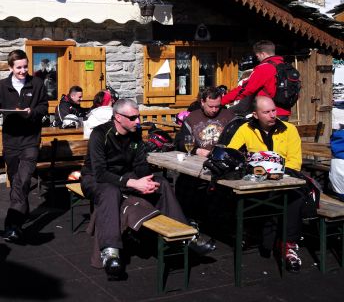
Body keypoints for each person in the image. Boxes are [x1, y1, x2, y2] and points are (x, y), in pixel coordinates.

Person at [80, 99, 205, 280]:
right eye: (133, 118)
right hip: (95, 179)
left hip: (124, 175)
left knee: (160, 182)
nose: (138, 121)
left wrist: (146, 181)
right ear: (118, 117)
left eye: (138, 117)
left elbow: (140, 164)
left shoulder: (135, 133)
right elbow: (100, 173)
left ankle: (184, 234)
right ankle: (110, 252)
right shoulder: (100, 134)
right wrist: (133, 184)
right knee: (110, 191)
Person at [227, 96, 304, 272]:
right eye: (266, 112)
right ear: (255, 114)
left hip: (286, 178)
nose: (272, 115)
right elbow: (232, 152)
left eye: (273, 110)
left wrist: (275, 172)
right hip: (257, 181)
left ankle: (288, 245)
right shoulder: (246, 129)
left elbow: (295, 162)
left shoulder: (289, 130)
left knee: (294, 197)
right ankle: (253, 234)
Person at [0, 50, 48, 243]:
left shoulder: (37, 84)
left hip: (30, 140)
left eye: (25, 66)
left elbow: (44, 107)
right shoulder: (2, 85)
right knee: (16, 182)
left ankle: (11, 226)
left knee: (22, 182)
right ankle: (22, 215)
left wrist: (32, 112)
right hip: (11, 141)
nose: (23, 70)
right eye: (19, 67)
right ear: (10, 68)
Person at [221, 40, 291, 119]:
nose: (257, 59)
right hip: (284, 113)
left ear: (262, 54)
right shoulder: (286, 67)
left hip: (267, 115)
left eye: (257, 56)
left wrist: (221, 101)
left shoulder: (264, 68)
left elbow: (244, 90)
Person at [175, 86, 235, 158]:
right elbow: (180, 142)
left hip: (223, 158)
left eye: (217, 106)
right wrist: (197, 150)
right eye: (210, 106)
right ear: (203, 102)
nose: (214, 110)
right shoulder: (192, 117)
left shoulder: (229, 116)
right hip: (199, 159)